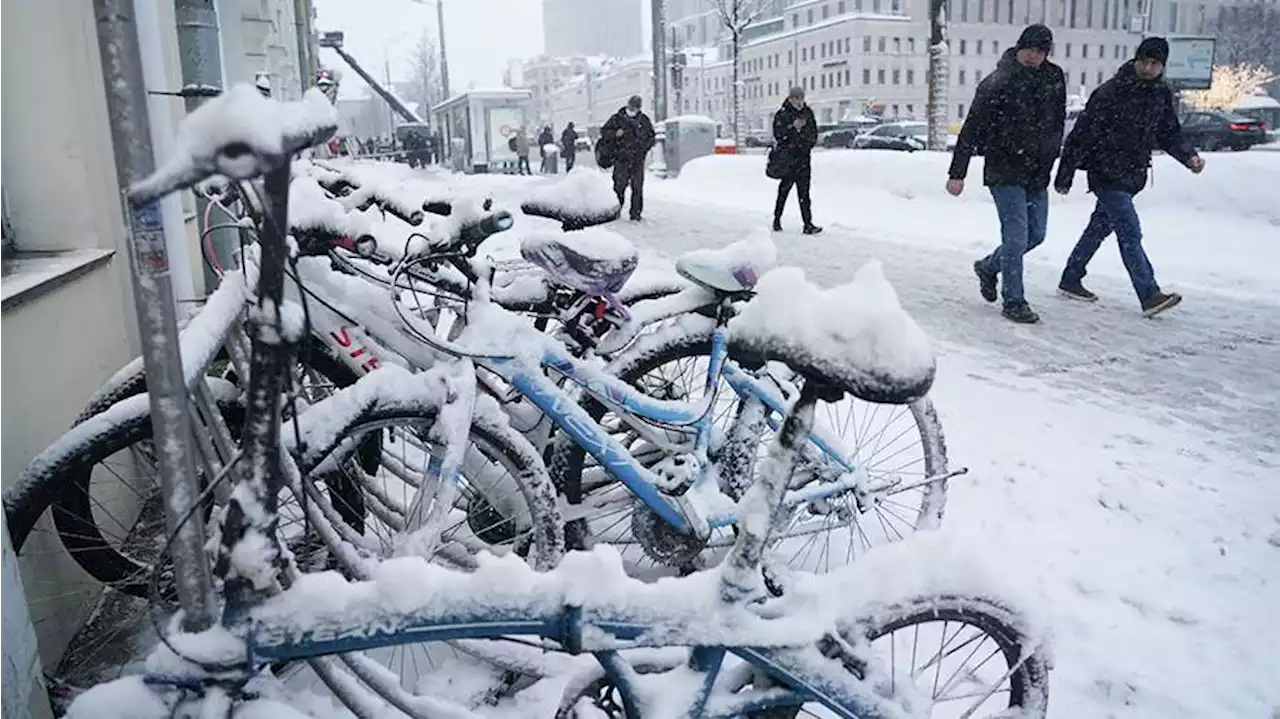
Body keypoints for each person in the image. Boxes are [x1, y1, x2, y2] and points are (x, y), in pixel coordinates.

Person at [1054, 37, 1203, 318]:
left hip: (1133, 175)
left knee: (1099, 227)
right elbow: (1081, 135)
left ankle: (1071, 278)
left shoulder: (1159, 94)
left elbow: (1169, 132)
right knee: (1130, 231)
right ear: (1135, 60)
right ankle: (1149, 294)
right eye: (1144, 62)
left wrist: (1189, 157)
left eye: (1155, 64)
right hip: (1106, 173)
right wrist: (1066, 174)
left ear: (1162, 67)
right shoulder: (1111, 92)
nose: (1148, 68)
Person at [947, 24, 1065, 324]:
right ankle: (1014, 301)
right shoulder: (998, 81)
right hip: (1005, 168)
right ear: (1020, 47)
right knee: (1015, 236)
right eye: (1030, 49)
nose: (1034, 56)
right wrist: (957, 172)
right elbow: (971, 128)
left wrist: (1055, 160)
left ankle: (988, 267)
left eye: (1041, 52)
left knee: (1035, 235)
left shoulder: (1054, 78)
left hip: (1036, 170)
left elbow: (1057, 123)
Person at [771, 86, 822, 234]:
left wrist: (806, 143)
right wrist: (792, 128)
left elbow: (813, 133)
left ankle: (808, 224)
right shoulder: (783, 114)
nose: (799, 102)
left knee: (804, 194)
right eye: (796, 98)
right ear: (790, 99)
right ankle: (777, 219)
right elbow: (779, 135)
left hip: (804, 159)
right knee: (784, 191)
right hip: (788, 159)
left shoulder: (807, 113)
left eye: (801, 98)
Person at [601, 95, 655, 220]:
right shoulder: (617, 118)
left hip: (637, 160)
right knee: (619, 187)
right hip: (621, 159)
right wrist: (615, 134)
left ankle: (635, 214)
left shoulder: (643, 120)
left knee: (637, 187)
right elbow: (604, 132)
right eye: (631, 106)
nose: (633, 109)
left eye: (636, 107)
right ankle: (615, 211)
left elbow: (651, 137)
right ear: (628, 105)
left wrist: (643, 148)